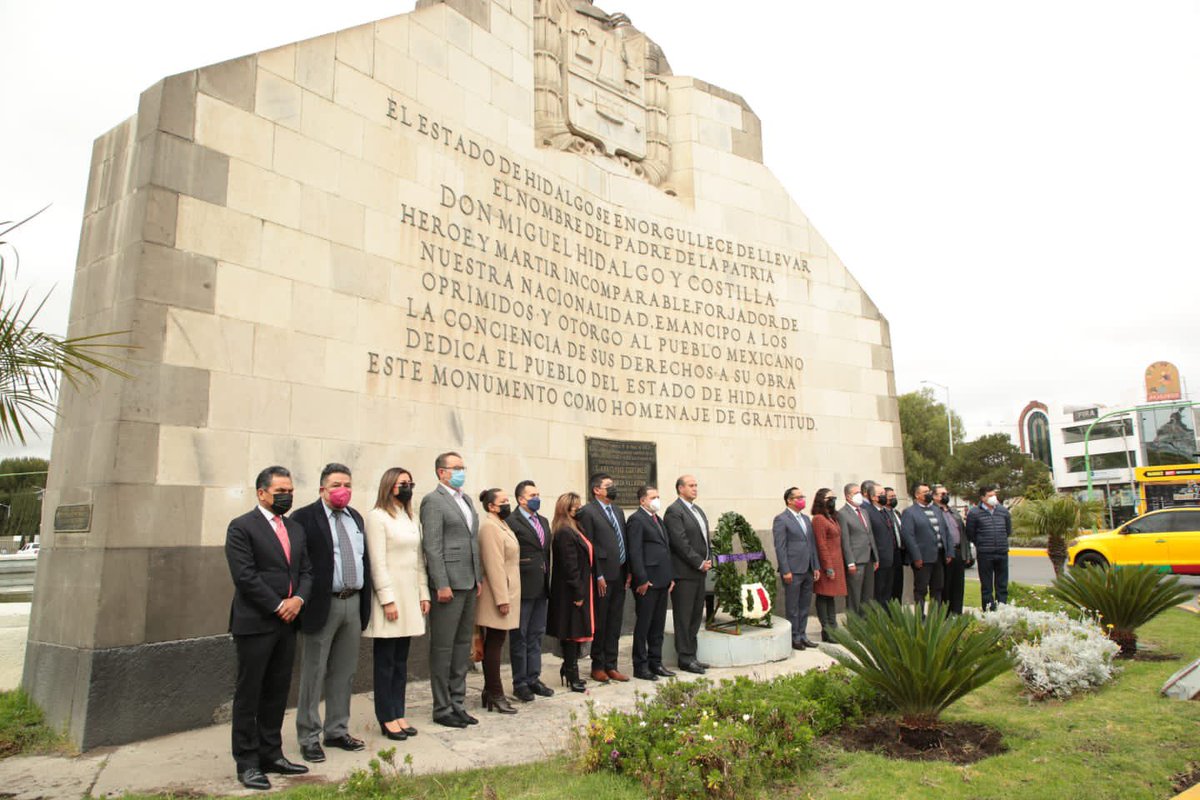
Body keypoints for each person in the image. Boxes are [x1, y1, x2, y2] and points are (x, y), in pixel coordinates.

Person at [225, 466, 313, 791]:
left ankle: (271, 753)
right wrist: (278, 605)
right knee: (250, 694)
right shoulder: (241, 527)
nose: (286, 496)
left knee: (277, 692)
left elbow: (307, 569)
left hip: (289, 623)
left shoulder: (295, 529)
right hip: (256, 623)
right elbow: (245, 576)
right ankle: (247, 762)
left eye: (289, 490)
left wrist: (299, 599)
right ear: (262, 493)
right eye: (280, 491)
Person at [291, 463, 370, 762]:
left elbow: (365, 559)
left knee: (344, 671)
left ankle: (337, 730)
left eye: (348, 484)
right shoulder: (304, 518)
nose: (343, 490)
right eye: (337, 484)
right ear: (322, 488)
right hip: (322, 604)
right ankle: (308, 735)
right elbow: (298, 564)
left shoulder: (355, 518)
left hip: (353, 601)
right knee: (314, 672)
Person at [363, 467, 429, 742]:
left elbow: (418, 560)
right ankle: (386, 716)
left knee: (401, 661)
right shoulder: (377, 517)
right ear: (390, 486)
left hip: (410, 595)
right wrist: (387, 599)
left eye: (411, 483)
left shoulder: (410, 517)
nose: (408, 487)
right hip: (390, 598)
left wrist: (424, 593)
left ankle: (399, 712)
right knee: (386, 661)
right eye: (403, 483)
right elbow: (376, 562)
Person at [419, 451, 481, 729]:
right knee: (443, 648)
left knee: (461, 647)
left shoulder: (466, 500)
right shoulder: (433, 501)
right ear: (441, 472)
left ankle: (458, 702)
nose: (461, 472)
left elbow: (471, 541)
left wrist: (478, 576)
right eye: (456, 468)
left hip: (469, 582)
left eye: (463, 467)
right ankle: (442, 707)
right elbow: (432, 546)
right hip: (448, 586)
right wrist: (441, 582)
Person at [576, 473, 630, 683]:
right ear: (596, 490)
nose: (613, 488)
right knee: (601, 621)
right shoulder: (587, 512)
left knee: (615, 622)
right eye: (608, 485)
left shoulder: (617, 511)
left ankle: (612, 664)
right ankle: (597, 665)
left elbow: (622, 540)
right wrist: (597, 574)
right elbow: (589, 546)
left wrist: (629, 571)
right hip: (602, 577)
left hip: (620, 573)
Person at [506, 480, 554, 702]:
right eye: (533, 494)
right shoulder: (511, 522)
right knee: (520, 636)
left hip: (542, 586)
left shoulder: (543, 521)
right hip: (522, 588)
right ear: (521, 499)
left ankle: (534, 678)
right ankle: (520, 682)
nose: (537, 497)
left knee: (536, 635)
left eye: (538, 493)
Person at [476, 487, 522, 714]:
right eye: (503, 501)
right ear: (491, 506)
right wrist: (502, 599)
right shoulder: (489, 527)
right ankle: (495, 693)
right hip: (497, 595)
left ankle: (489, 690)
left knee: (497, 641)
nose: (507, 504)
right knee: (493, 644)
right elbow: (493, 565)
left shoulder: (501, 524)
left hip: (508, 590)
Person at [664, 474, 713, 674]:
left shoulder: (697, 510)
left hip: (700, 572)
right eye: (691, 485)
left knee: (695, 617)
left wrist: (707, 559)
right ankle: (684, 658)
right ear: (680, 488)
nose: (695, 488)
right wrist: (699, 562)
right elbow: (680, 542)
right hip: (684, 573)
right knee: (683, 617)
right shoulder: (674, 511)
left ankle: (692, 655)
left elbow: (703, 538)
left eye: (696, 485)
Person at [627, 485, 676, 681]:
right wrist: (642, 579)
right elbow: (635, 552)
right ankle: (641, 666)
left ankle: (656, 662)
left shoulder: (658, 520)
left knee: (657, 626)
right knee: (644, 625)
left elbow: (665, 550)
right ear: (643, 501)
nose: (657, 500)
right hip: (647, 583)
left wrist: (670, 576)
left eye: (658, 496)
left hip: (662, 580)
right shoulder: (636, 520)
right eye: (653, 497)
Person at [547, 492, 594, 692]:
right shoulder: (565, 531)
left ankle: (570, 669)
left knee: (575, 632)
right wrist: (578, 593)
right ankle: (571, 672)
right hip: (570, 591)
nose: (580, 508)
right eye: (576, 506)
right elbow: (569, 565)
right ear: (567, 508)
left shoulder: (576, 527)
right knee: (571, 633)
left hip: (580, 585)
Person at [771, 487, 821, 649]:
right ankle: (794, 637)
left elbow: (811, 544)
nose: (802, 500)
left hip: (807, 568)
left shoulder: (806, 519)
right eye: (798, 497)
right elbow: (780, 547)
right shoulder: (781, 519)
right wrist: (785, 570)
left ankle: (803, 634)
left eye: (803, 496)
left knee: (805, 605)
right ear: (789, 500)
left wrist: (816, 566)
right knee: (792, 606)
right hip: (792, 570)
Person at [900, 483, 946, 618]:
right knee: (921, 589)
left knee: (937, 588)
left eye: (929, 491)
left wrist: (948, 552)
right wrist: (916, 557)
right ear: (917, 495)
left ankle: (936, 616)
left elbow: (944, 531)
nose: (929, 494)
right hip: (922, 558)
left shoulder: (936, 510)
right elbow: (908, 536)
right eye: (925, 492)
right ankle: (921, 616)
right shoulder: (909, 512)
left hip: (938, 555)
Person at [966, 485, 1012, 610]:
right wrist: (981, 543)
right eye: (990, 496)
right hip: (985, 553)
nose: (993, 498)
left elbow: (1008, 530)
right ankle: (989, 611)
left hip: (1002, 552)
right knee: (986, 586)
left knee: (1002, 585)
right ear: (982, 498)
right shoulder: (974, 513)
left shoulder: (1003, 511)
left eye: (994, 495)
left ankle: (1002, 610)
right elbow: (970, 533)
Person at [811, 488, 847, 642]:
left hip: (836, 562)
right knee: (823, 595)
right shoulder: (819, 519)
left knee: (830, 596)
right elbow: (821, 544)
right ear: (821, 500)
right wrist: (828, 567)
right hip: (827, 563)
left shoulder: (831, 517)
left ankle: (833, 627)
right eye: (829, 497)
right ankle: (826, 629)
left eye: (834, 497)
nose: (832, 500)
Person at [837, 482, 878, 614]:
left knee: (868, 596)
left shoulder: (864, 512)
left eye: (860, 492)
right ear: (848, 496)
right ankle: (854, 626)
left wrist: (875, 557)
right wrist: (850, 562)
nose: (859, 495)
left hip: (869, 559)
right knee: (854, 596)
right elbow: (845, 540)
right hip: (856, 561)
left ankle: (865, 626)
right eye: (856, 493)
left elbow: (870, 535)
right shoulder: (842, 514)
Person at [933, 485, 971, 614]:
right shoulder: (933, 511)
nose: (945, 496)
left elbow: (963, 533)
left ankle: (956, 612)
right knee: (945, 586)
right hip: (944, 553)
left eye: (946, 493)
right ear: (934, 496)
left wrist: (967, 554)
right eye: (942, 494)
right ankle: (945, 614)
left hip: (958, 551)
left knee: (958, 585)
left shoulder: (953, 511)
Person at [861, 480, 899, 606]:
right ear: (872, 497)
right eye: (881, 494)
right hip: (879, 560)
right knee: (878, 593)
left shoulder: (885, 512)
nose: (884, 496)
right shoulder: (868, 512)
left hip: (890, 559)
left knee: (888, 592)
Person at [884, 487, 907, 603]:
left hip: (899, 554)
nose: (894, 499)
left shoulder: (896, 513)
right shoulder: (883, 514)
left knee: (898, 586)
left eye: (894, 496)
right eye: (891, 497)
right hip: (888, 554)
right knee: (889, 587)